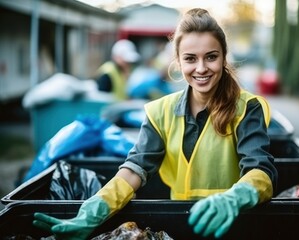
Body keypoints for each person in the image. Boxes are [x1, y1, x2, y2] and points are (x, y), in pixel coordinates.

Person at [33, 8, 278, 239]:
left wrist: (234, 198)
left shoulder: (247, 107)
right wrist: (92, 213)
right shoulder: (160, 111)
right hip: (181, 225)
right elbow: (135, 169)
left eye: (211, 57)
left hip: (233, 225)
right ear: (179, 62)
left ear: (223, 57)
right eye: (190, 58)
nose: (201, 68)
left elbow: (261, 170)